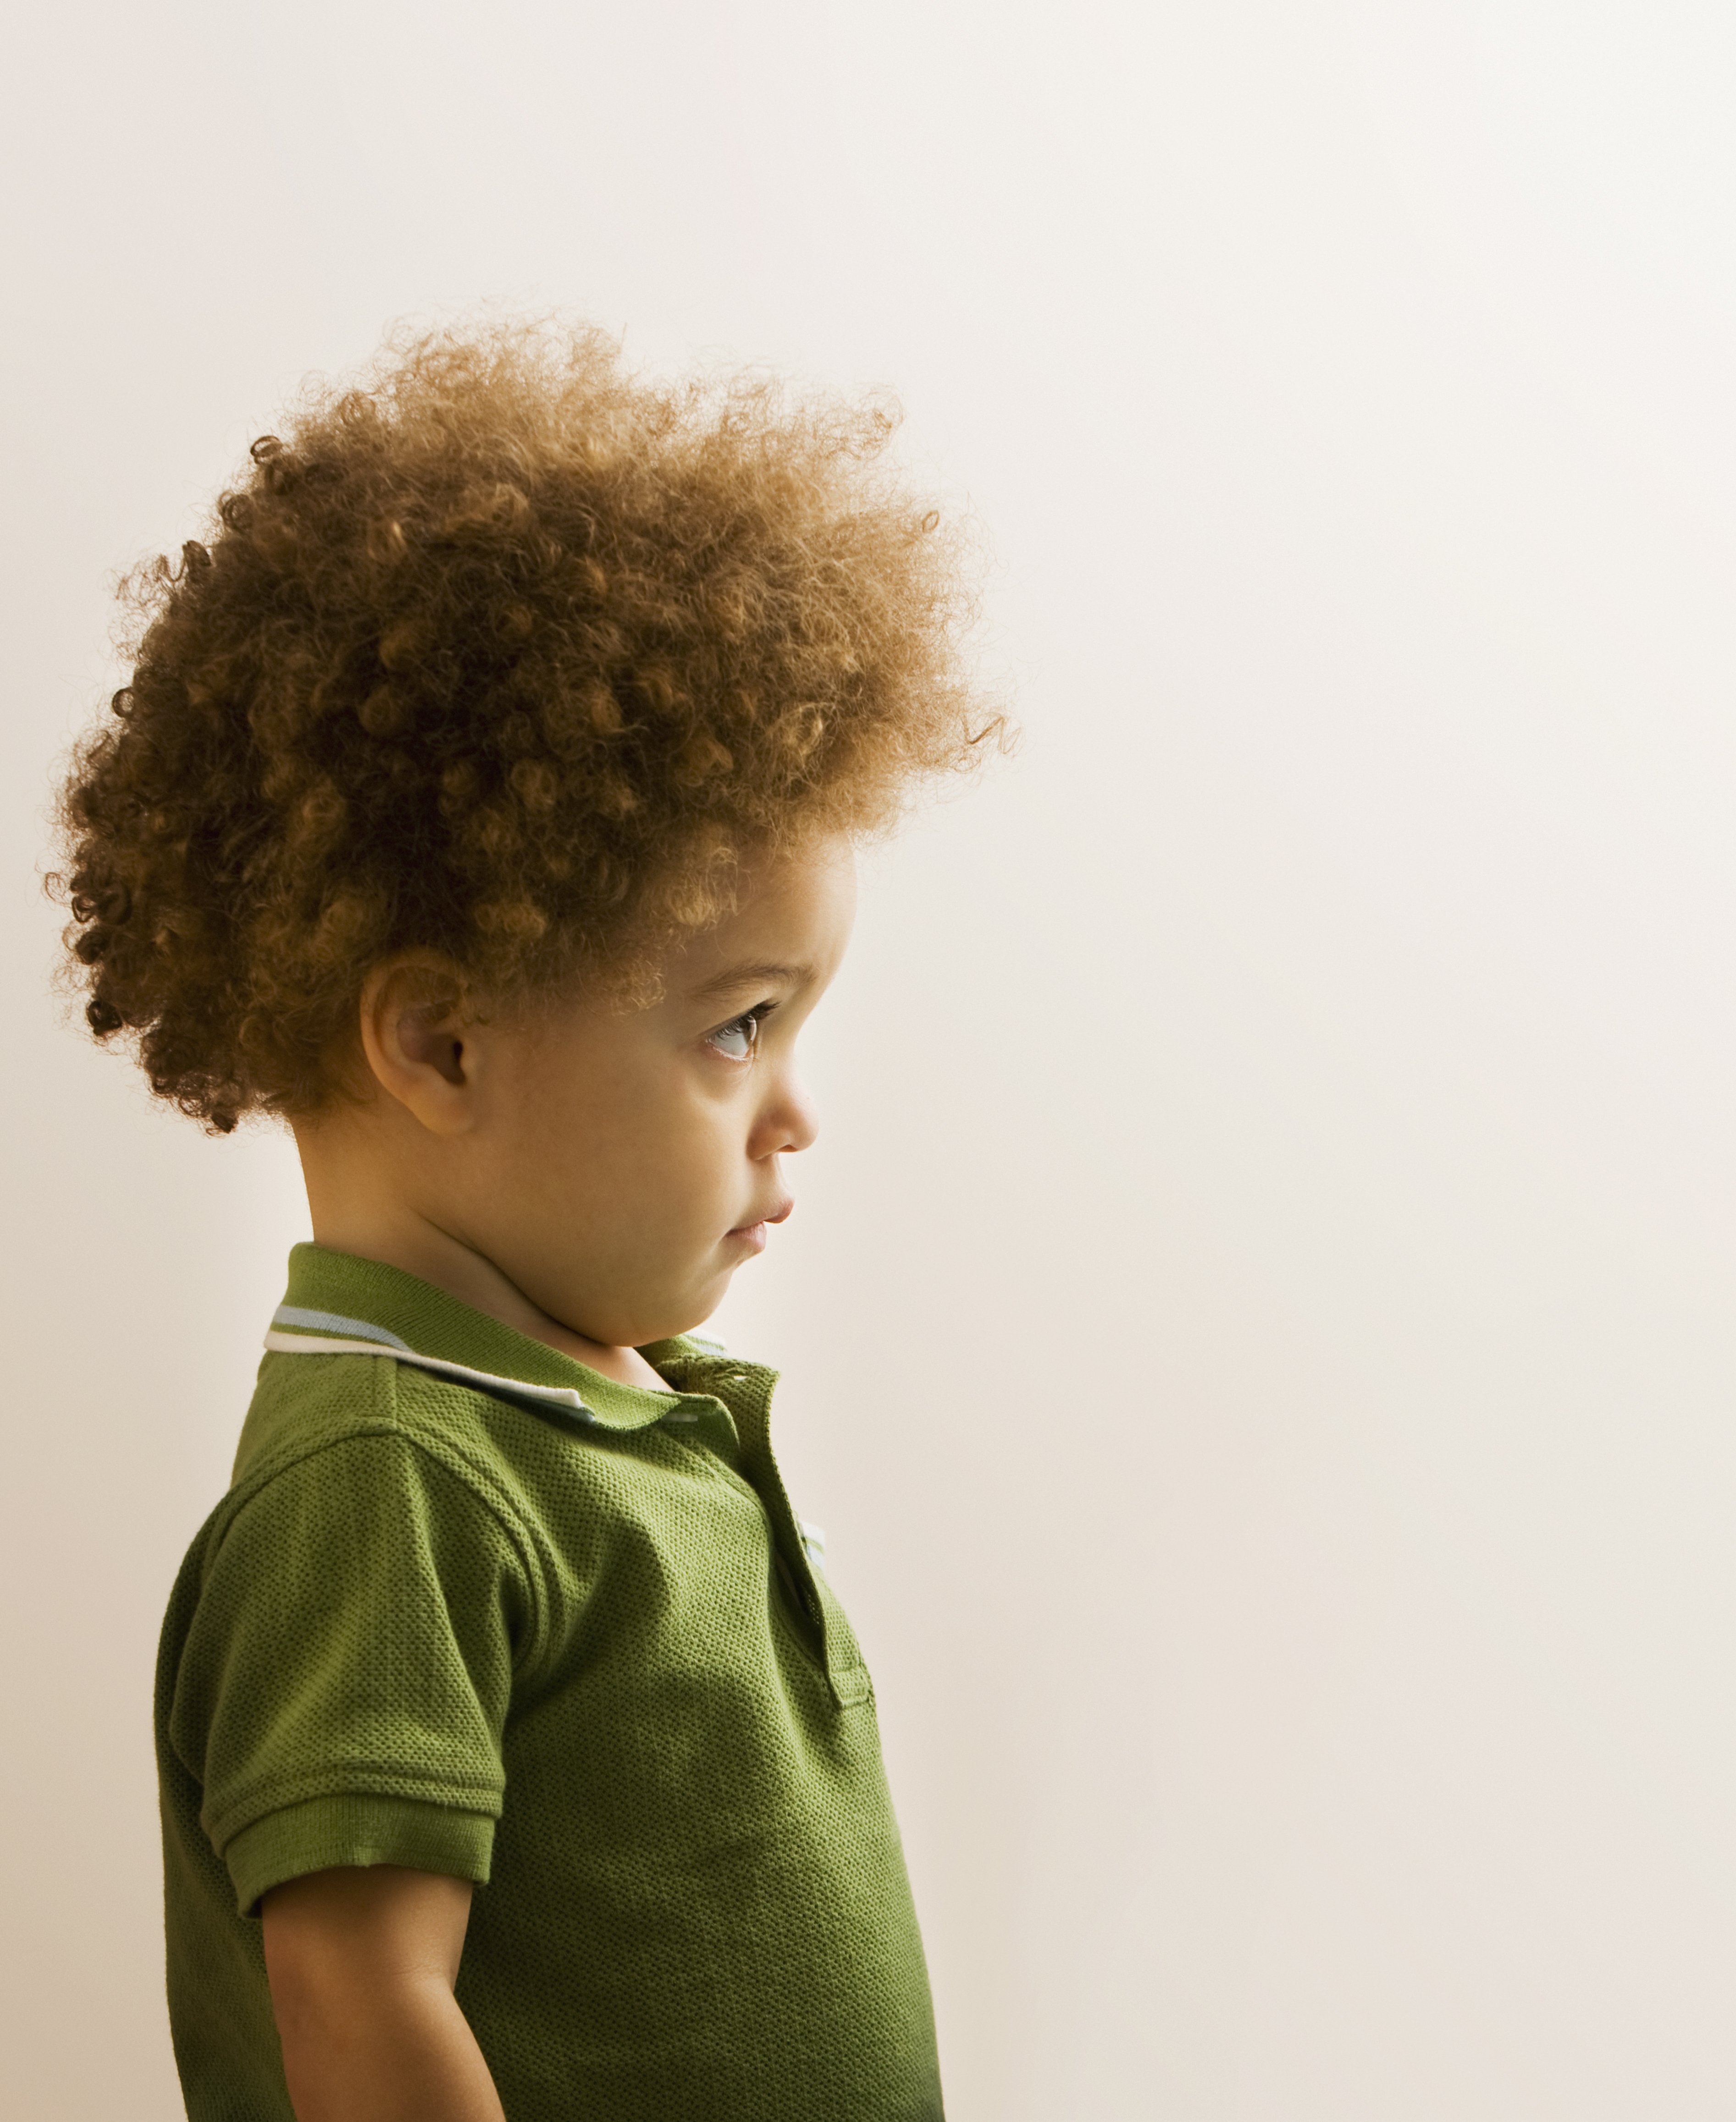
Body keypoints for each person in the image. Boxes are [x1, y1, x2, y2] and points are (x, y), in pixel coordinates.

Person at [54, 322, 1003, 2122]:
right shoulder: (395, 1479)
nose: (795, 1108)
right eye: (737, 1025)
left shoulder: (575, 1413)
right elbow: (359, 2002)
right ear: (442, 1038)